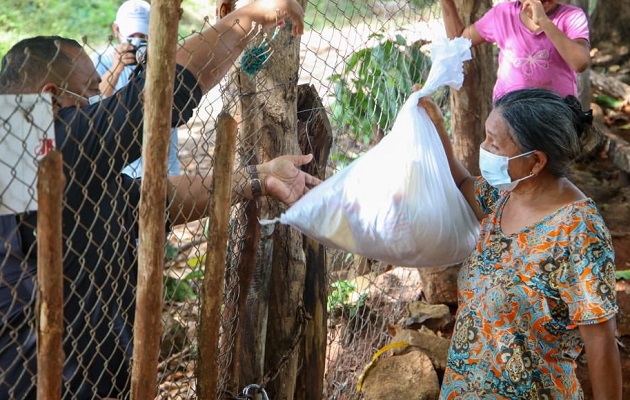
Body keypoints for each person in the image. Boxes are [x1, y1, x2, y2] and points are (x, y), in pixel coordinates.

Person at [0, 0, 312, 398]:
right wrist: (249, 18)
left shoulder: (59, 171)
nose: (99, 102)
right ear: (50, 99)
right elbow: (155, 98)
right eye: (88, 94)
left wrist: (259, 178)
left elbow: (154, 200)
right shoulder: (22, 141)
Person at [417, 87, 622, 399]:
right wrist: (438, 127)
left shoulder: (579, 231)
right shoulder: (506, 194)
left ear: (535, 161)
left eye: (494, 144)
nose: (483, 149)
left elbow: (600, 342)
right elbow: (461, 183)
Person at [93, 0, 181, 177]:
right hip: (119, 163)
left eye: (143, 35)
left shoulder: (166, 58)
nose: (137, 41)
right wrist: (116, 69)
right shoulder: (101, 60)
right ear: (117, 30)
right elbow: (94, 101)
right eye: (132, 35)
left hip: (162, 157)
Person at [440, 0, 591, 101]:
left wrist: (544, 21)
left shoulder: (571, 17)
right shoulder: (502, 15)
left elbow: (580, 62)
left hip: (557, 115)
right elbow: (459, 40)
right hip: (509, 115)